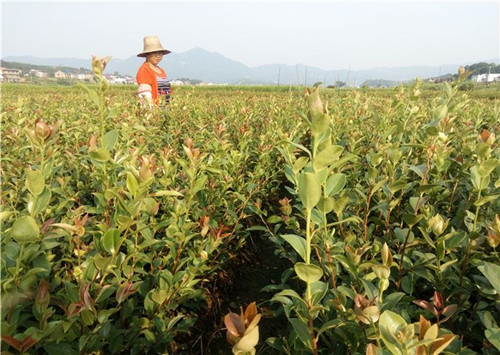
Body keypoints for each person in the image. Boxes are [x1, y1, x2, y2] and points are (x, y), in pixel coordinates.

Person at [136, 35, 172, 108]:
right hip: (155, 111)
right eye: (154, 53)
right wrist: (152, 111)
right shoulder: (144, 69)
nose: (158, 56)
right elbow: (145, 94)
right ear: (147, 54)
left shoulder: (161, 71)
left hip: (165, 109)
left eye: (160, 53)